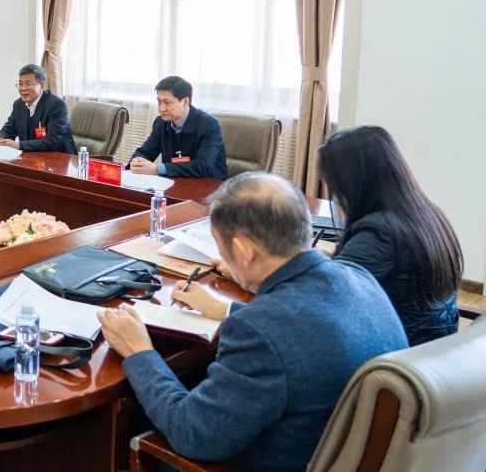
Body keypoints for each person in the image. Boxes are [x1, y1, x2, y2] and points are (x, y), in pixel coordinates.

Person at [100, 172, 407, 472]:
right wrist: (225, 309)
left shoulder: (260, 331)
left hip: (273, 458)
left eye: (221, 247)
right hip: (340, 449)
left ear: (245, 251)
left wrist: (139, 351)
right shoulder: (358, 277)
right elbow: (303, 326)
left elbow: (192, 434)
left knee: (127, 424)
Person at [317, 126, 463, 346]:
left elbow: (327, 296)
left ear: (352, 181)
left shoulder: (378, 232)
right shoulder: (427, 213)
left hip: (396, 351)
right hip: (434, 349)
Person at [129, 75, 228, 180]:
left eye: (167, 102)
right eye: (159, 101)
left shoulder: (209, 125)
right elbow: (145, 152)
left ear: (185, 102)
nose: (161, 109)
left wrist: (157, 169)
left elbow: (202, 166)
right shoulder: (161, 123)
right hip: (175, 182)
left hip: (209, 185)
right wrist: (137, 161)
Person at [0, 64, 76, 154]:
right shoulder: (18, 104)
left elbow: (53, 141)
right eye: (20, 84)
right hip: (31, 157)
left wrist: (20, 145)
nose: (23, 88)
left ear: (42, 85)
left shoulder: (56, 105)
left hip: (59, 158)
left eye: (28, 84)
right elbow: (9, 129)